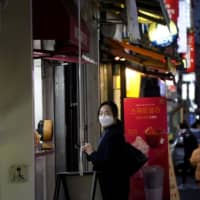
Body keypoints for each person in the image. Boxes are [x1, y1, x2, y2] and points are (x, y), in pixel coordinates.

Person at [82, 101, 130, 200]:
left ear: (115, 116)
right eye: (101, 113)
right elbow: (106, 156)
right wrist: (90, 153)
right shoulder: (110, 132)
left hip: (113, 188)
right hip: (113, 186)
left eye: (107, 113)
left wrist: (91, 153)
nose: (103, 116)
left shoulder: (114, 134)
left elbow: (106, 162)